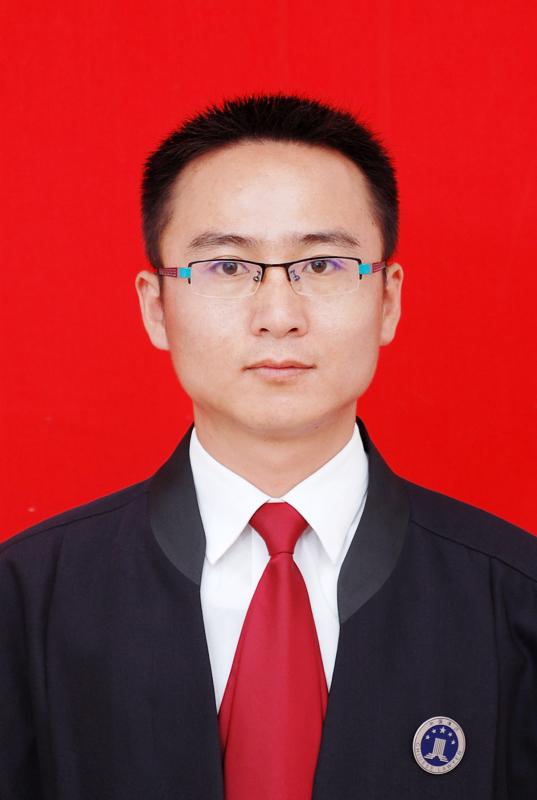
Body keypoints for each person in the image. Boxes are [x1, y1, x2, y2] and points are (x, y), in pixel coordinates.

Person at [1, 93, 536, 800]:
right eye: (226, 267)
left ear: (388, 300)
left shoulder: (515, 598)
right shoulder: (25, 600)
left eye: (324, 265)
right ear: (156, 306)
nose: (278, 315)